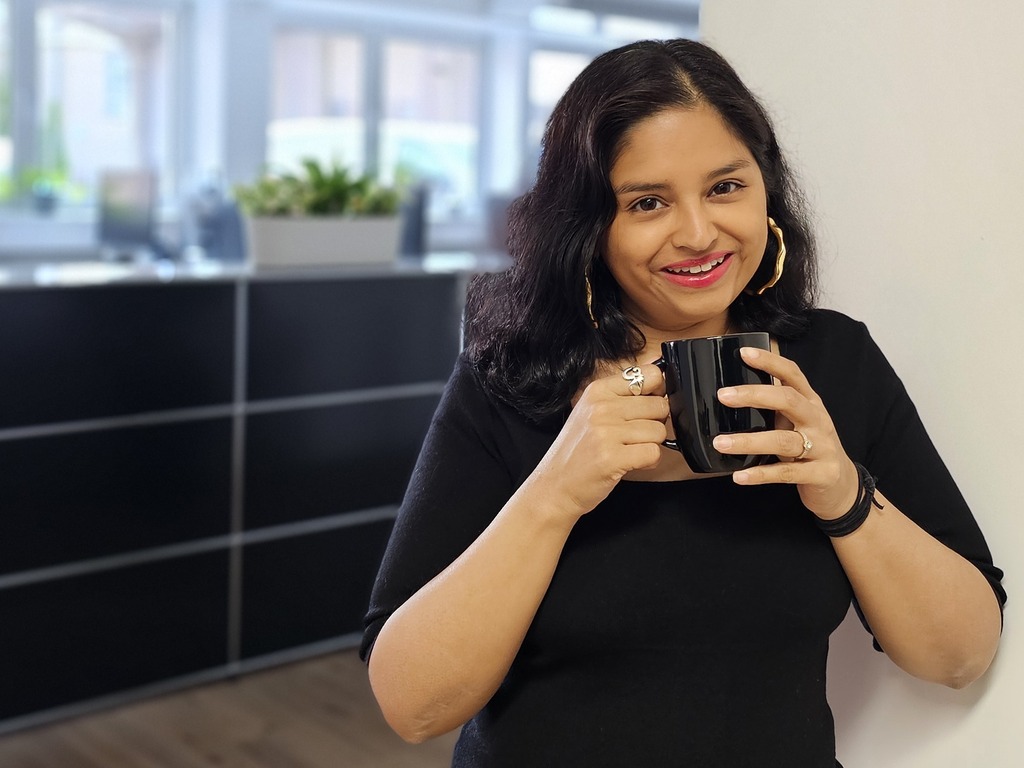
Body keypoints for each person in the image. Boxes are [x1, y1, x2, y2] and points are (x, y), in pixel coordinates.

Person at [359, 38, 1005, 767]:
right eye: (648, 202)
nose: (698, 234)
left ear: (767, 190)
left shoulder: (833, 362)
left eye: (726, 187)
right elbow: (412, 707)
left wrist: (842, 490)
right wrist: (553, 494)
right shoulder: (514, 379)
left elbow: (959, 656)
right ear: (588, 229)